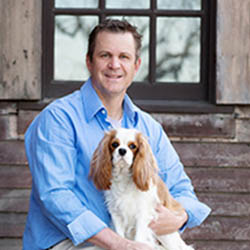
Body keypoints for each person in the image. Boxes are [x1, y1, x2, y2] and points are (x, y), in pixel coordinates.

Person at [23, 19, 211, 250]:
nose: (114, 65)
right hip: (71, 243)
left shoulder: (148, 128)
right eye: (105, 55)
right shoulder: (59, 118)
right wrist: (118, 244)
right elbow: (55, 196)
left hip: (136, 241)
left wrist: (180, 217)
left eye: (124, 57)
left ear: (136, 65)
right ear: (89, 62)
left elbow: (181, 190)